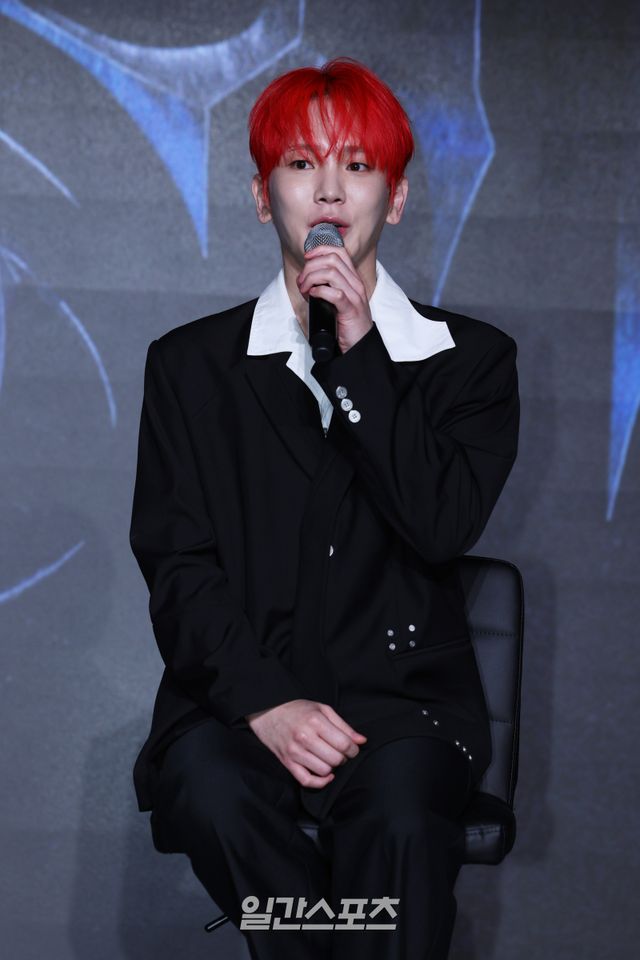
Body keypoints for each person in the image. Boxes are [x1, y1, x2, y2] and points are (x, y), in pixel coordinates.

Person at [128, 56, 520, 960]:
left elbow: (440, 525)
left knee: (402, 824)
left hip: (405, 709)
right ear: (262, 197)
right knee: (211, 793)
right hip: (239, 700)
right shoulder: (191, 367)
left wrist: (359, 353)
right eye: (302, 164)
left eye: (359, 164)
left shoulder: (468, 362)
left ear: (398, 198)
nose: (331, 190)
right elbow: (178, 566)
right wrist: (266, 703)